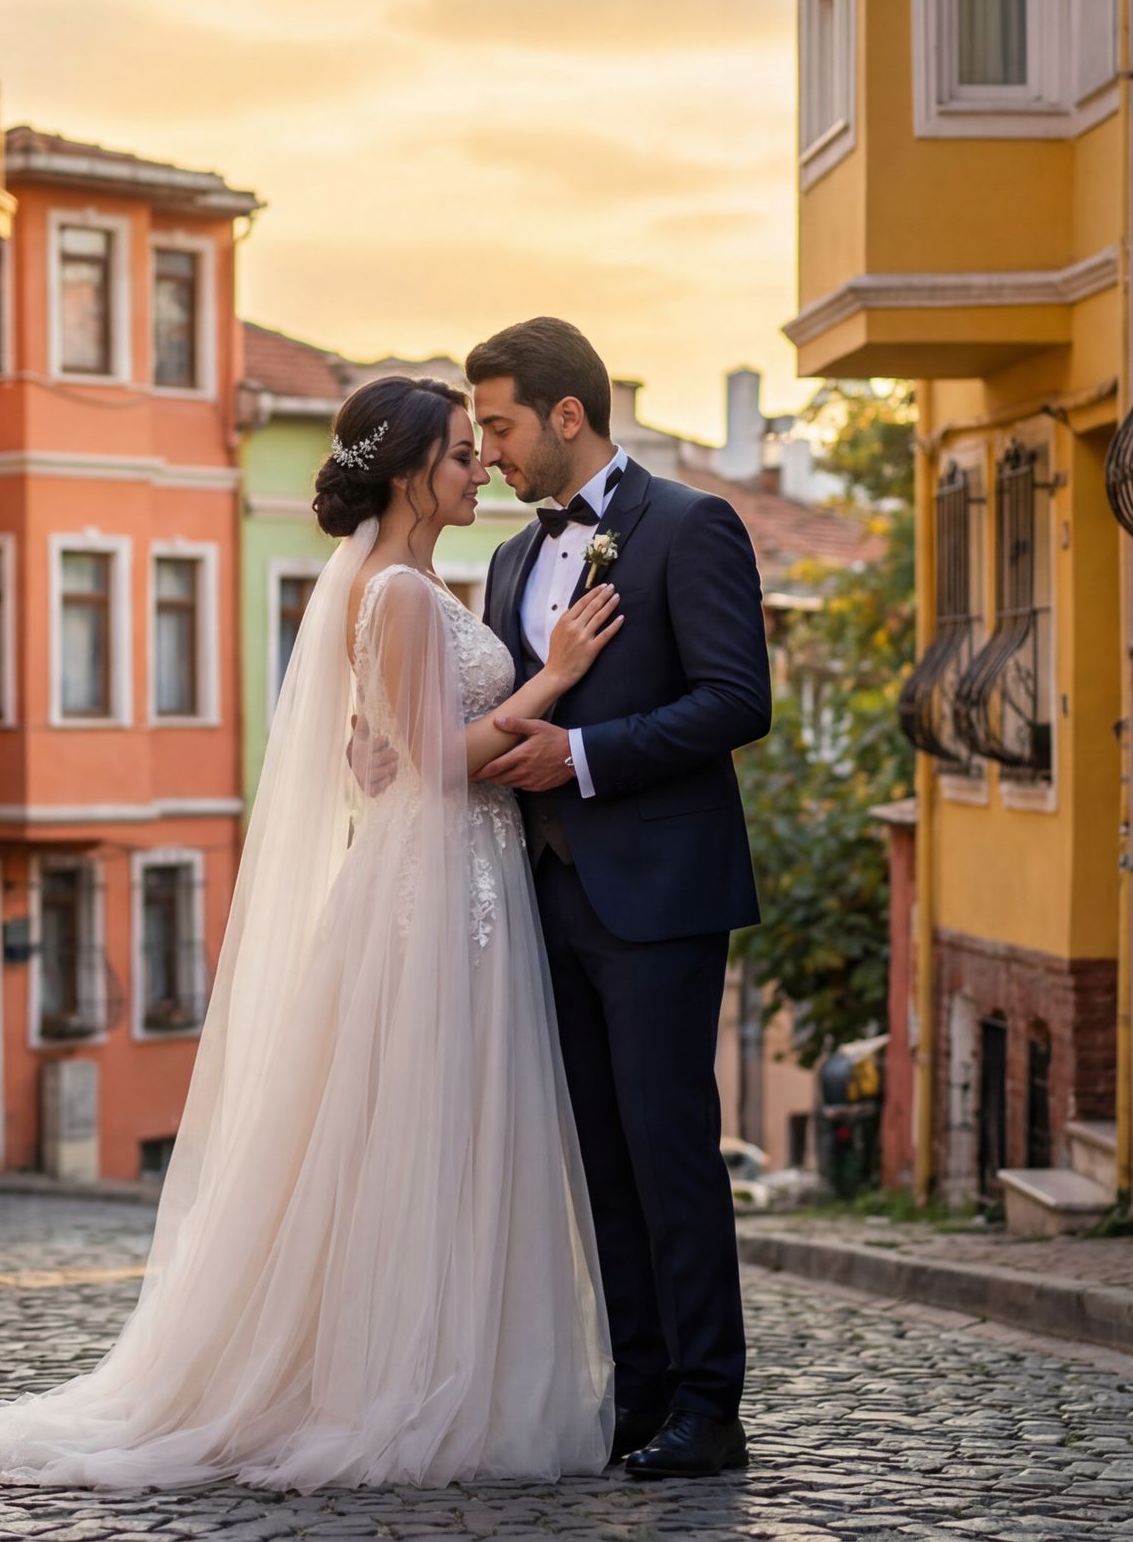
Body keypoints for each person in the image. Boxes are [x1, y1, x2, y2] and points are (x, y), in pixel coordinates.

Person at [0, 374, 628, 1489]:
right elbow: (440, 763)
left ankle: (452, 1363)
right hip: (432, 891)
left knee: (453, 1133)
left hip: (466, 882)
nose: (478, 465)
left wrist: (405, 740)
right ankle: (393, 1380)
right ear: (406, 477)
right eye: (457, 451)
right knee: (418, 1131)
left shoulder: (423, 584)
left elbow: (393, 746)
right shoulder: (392, 592)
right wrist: (559, 680)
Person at [468, 316, 771, 1479]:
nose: (488, 451)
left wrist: (581, 761)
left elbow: (737, 701)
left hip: (659, 893)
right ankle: (640, 1394)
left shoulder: (691, 527)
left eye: (499, 426)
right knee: (596, 1155)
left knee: (668, 1148)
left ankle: (712, 1406)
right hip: (545, 892)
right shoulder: (509, 561)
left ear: (566, 415)